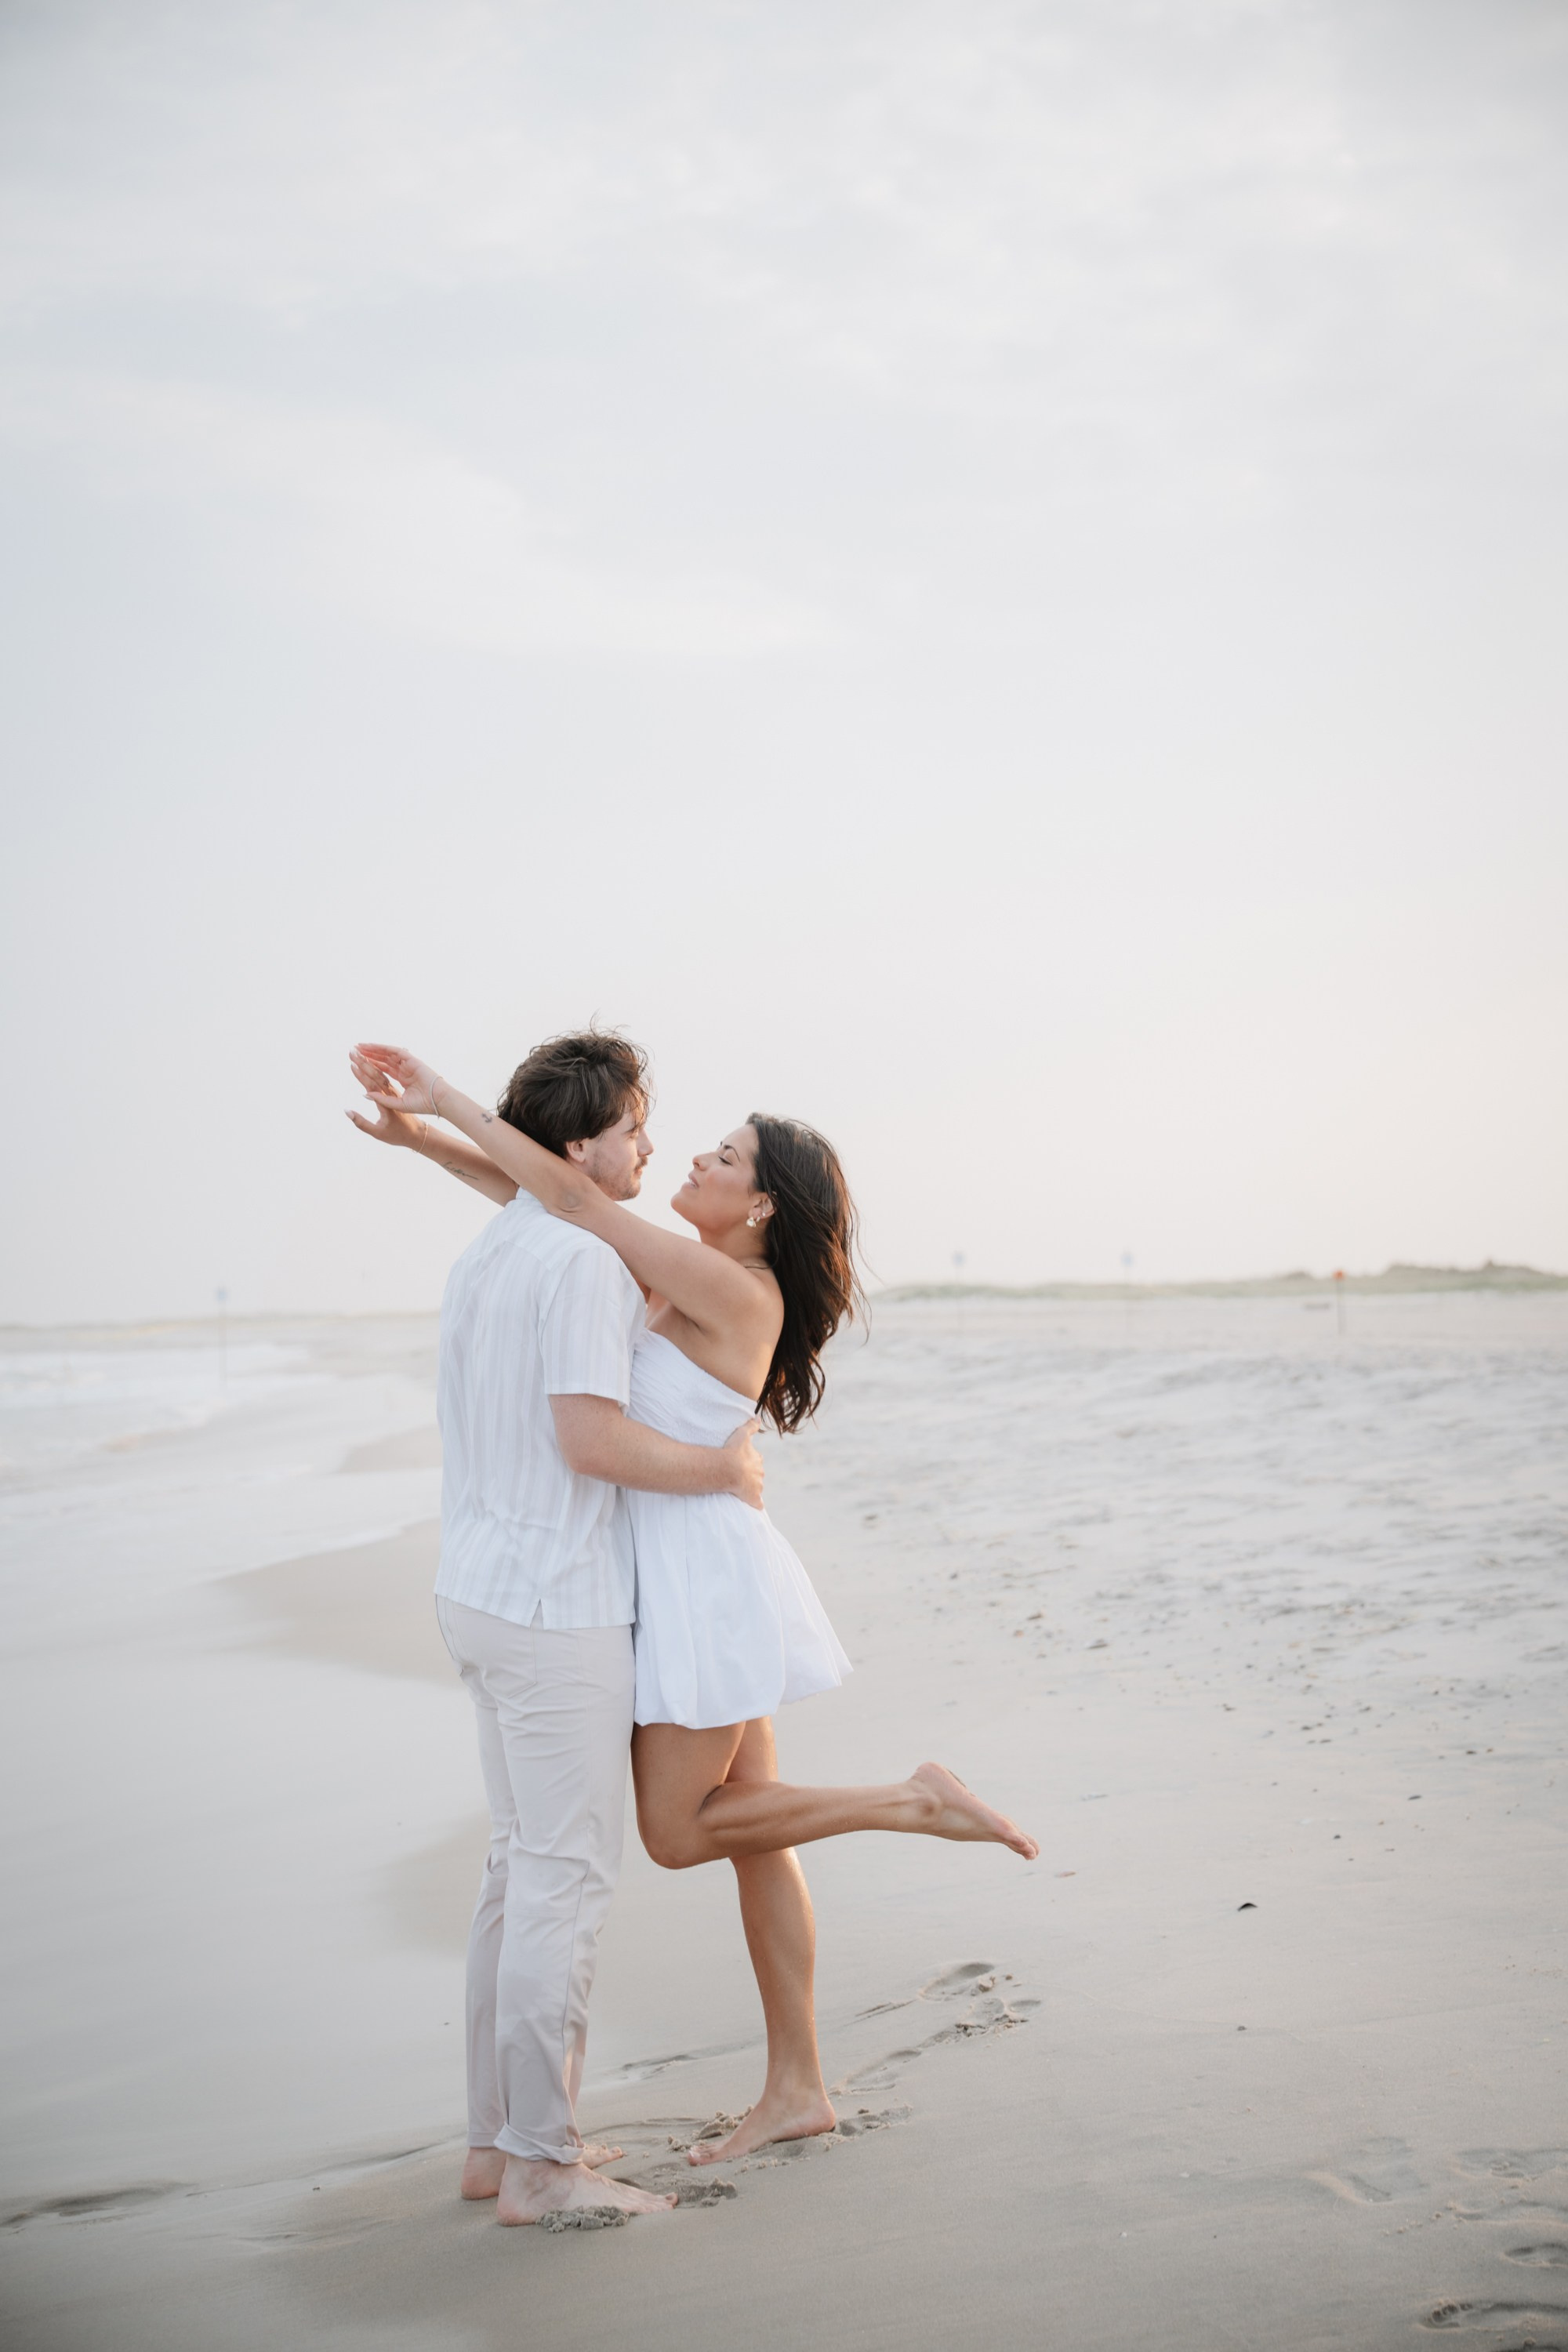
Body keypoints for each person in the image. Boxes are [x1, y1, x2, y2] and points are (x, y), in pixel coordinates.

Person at [352, 1033, 1040, 2169]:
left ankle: (911, 1801)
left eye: (724, 1158)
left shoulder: (729, 1286)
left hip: (703, 1580)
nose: (696, 1161)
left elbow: (566, 1189)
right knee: (758, 1832)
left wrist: (440, 1098)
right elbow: (544, 1196)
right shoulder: (671, 1267)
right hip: (688, 1569)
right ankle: (800, 2085)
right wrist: (425, 1142)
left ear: (762, 1207)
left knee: (678, 1834)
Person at [349, 1030, 765, 2225]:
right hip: (552, 1609)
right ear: (584, 1144)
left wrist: (429, 1129)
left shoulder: (499, 1247)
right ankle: (542, 2161)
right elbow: (592, 1442)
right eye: (638, 1126)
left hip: (478, 1592)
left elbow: (521, 1187)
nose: (648, 1144)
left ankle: (496, 2144)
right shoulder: (583, 1264)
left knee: (514, 1873)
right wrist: (719, 1472)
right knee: (564, 1885)